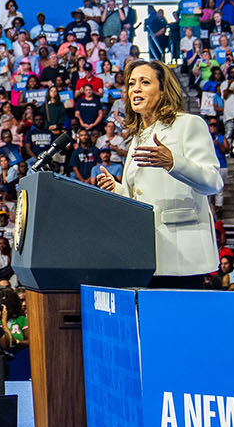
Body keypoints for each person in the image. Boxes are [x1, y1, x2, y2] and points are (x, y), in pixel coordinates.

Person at [95, 59, 223, 286]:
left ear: (163, 90)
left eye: (145, 82)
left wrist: (174, 162)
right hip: (145, 255)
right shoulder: (136, 138)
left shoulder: (189, 124)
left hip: (183, 258)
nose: (135, 88)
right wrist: (117, 188)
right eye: (132, 83)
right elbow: (140, 198)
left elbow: (213, 182)